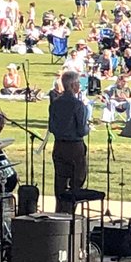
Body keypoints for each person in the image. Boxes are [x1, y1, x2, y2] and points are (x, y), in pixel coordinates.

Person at [47, 69, 92, 213]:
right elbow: (81, 130)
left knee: (60, 180)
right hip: (74, 147)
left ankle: (59, 209)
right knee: (77, 179)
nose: (79, 85)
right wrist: (88, 128)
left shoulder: (55, 103)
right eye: (78, 82)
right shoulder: (78, 105)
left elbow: (52, 127)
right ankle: (70, 211)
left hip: (59, 145)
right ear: (73, 85)